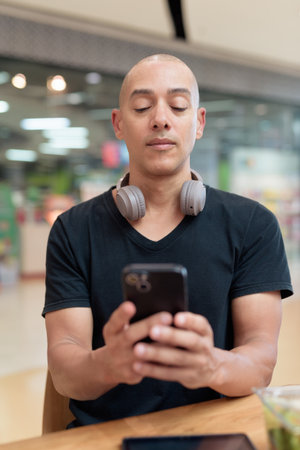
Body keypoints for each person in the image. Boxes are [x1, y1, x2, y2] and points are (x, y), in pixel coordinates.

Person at [43, 54, 293, 427]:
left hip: (213, 434)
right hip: (106, 437)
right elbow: (65, 372)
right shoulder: (73, 230)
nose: (160, 118)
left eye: (178, 106)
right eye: (143, 106)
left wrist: (211, 365)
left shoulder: (252, 225)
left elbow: (260, 362)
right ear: (118, 123)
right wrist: (108, 362)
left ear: (199, 122)